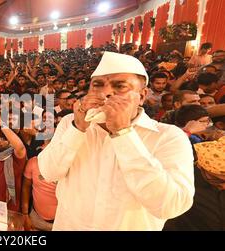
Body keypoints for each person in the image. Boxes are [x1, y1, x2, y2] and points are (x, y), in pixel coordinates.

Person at [38, 52, 194, 230]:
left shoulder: (168, 136)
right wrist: (77, 128)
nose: (105, 93)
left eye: (120, 86)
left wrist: (123, 133)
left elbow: (170, 205)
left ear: (142, 96)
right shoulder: (70, 123)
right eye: (97, 85)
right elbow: (48, 173)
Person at [21, 139, 56, 231]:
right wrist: (25, 215)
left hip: (59, 221)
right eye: (45, 143)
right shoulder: (33, 162)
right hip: (36, 218)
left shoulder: (67, 168)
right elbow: (25, 188)